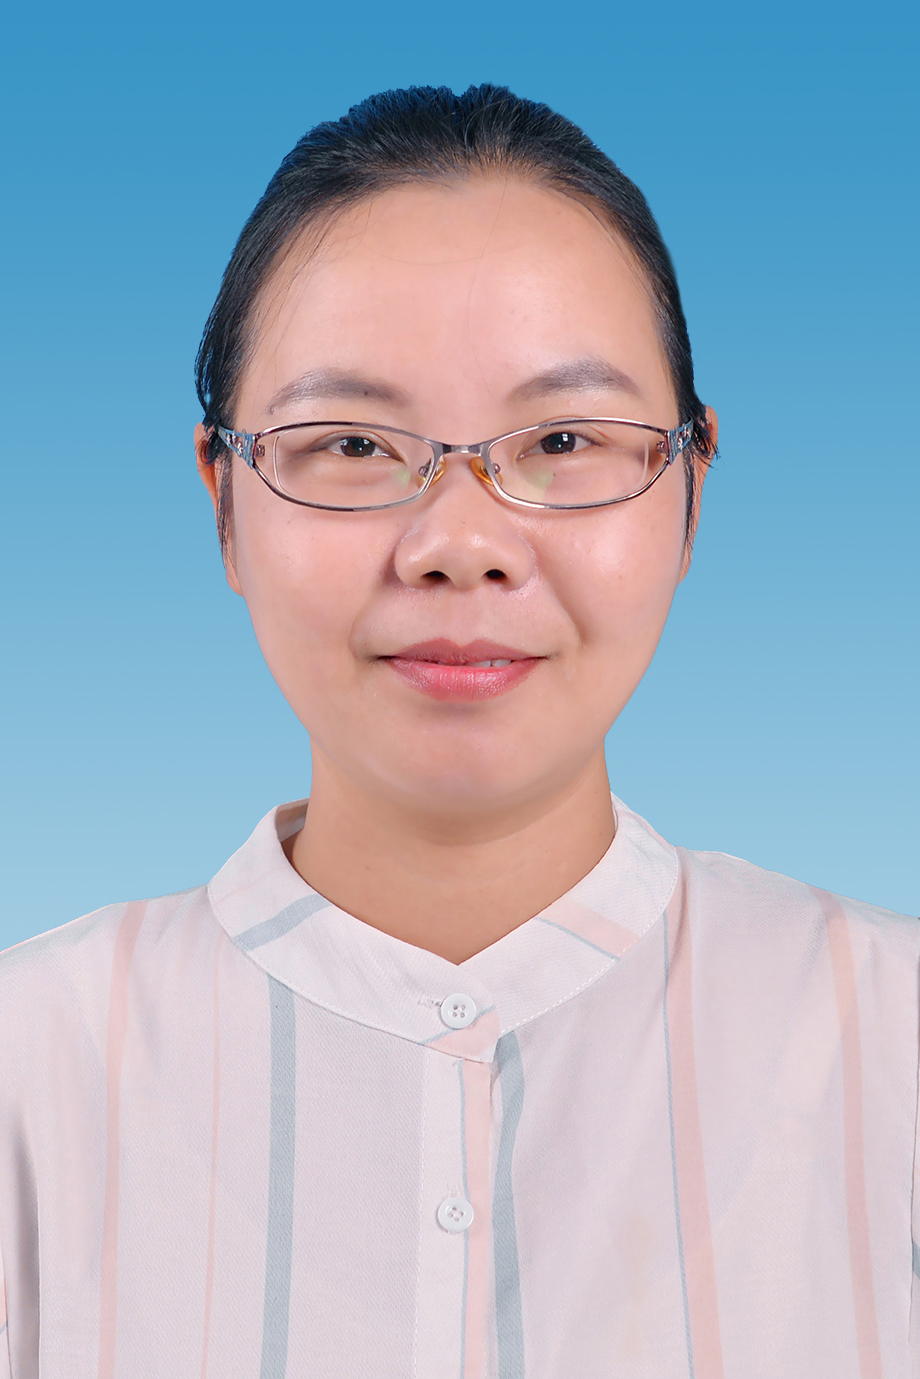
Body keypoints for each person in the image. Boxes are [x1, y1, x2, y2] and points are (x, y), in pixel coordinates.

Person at [0, 83, 916, 1379]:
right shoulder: (29, 1071)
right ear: (223, 503)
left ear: (692, 486)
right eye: (352, 445)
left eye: (563, 439)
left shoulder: (892, 1042)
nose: (461, 544)